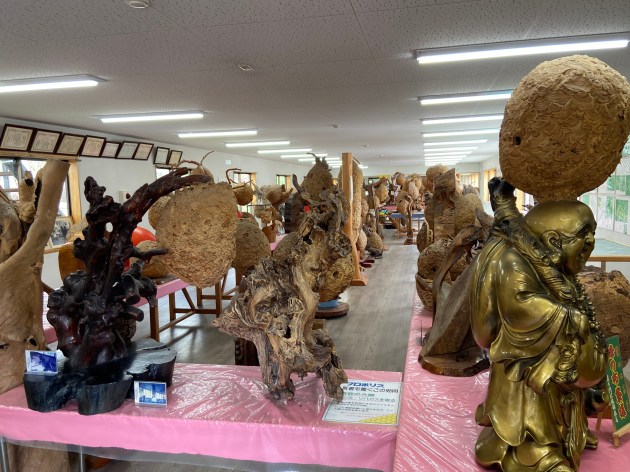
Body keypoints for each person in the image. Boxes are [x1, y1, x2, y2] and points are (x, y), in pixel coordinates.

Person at [470, 179, 607, 472]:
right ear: (554, 241)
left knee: (562, 384)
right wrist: (565, 315)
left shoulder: (551, 263)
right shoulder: (512, 260)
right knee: (532, 390)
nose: (590, 245)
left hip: (556, 358)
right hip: (522, 358)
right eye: (583, 237)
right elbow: (518, 305)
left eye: (593, 234)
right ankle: (537, 453)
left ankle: (568, 436)